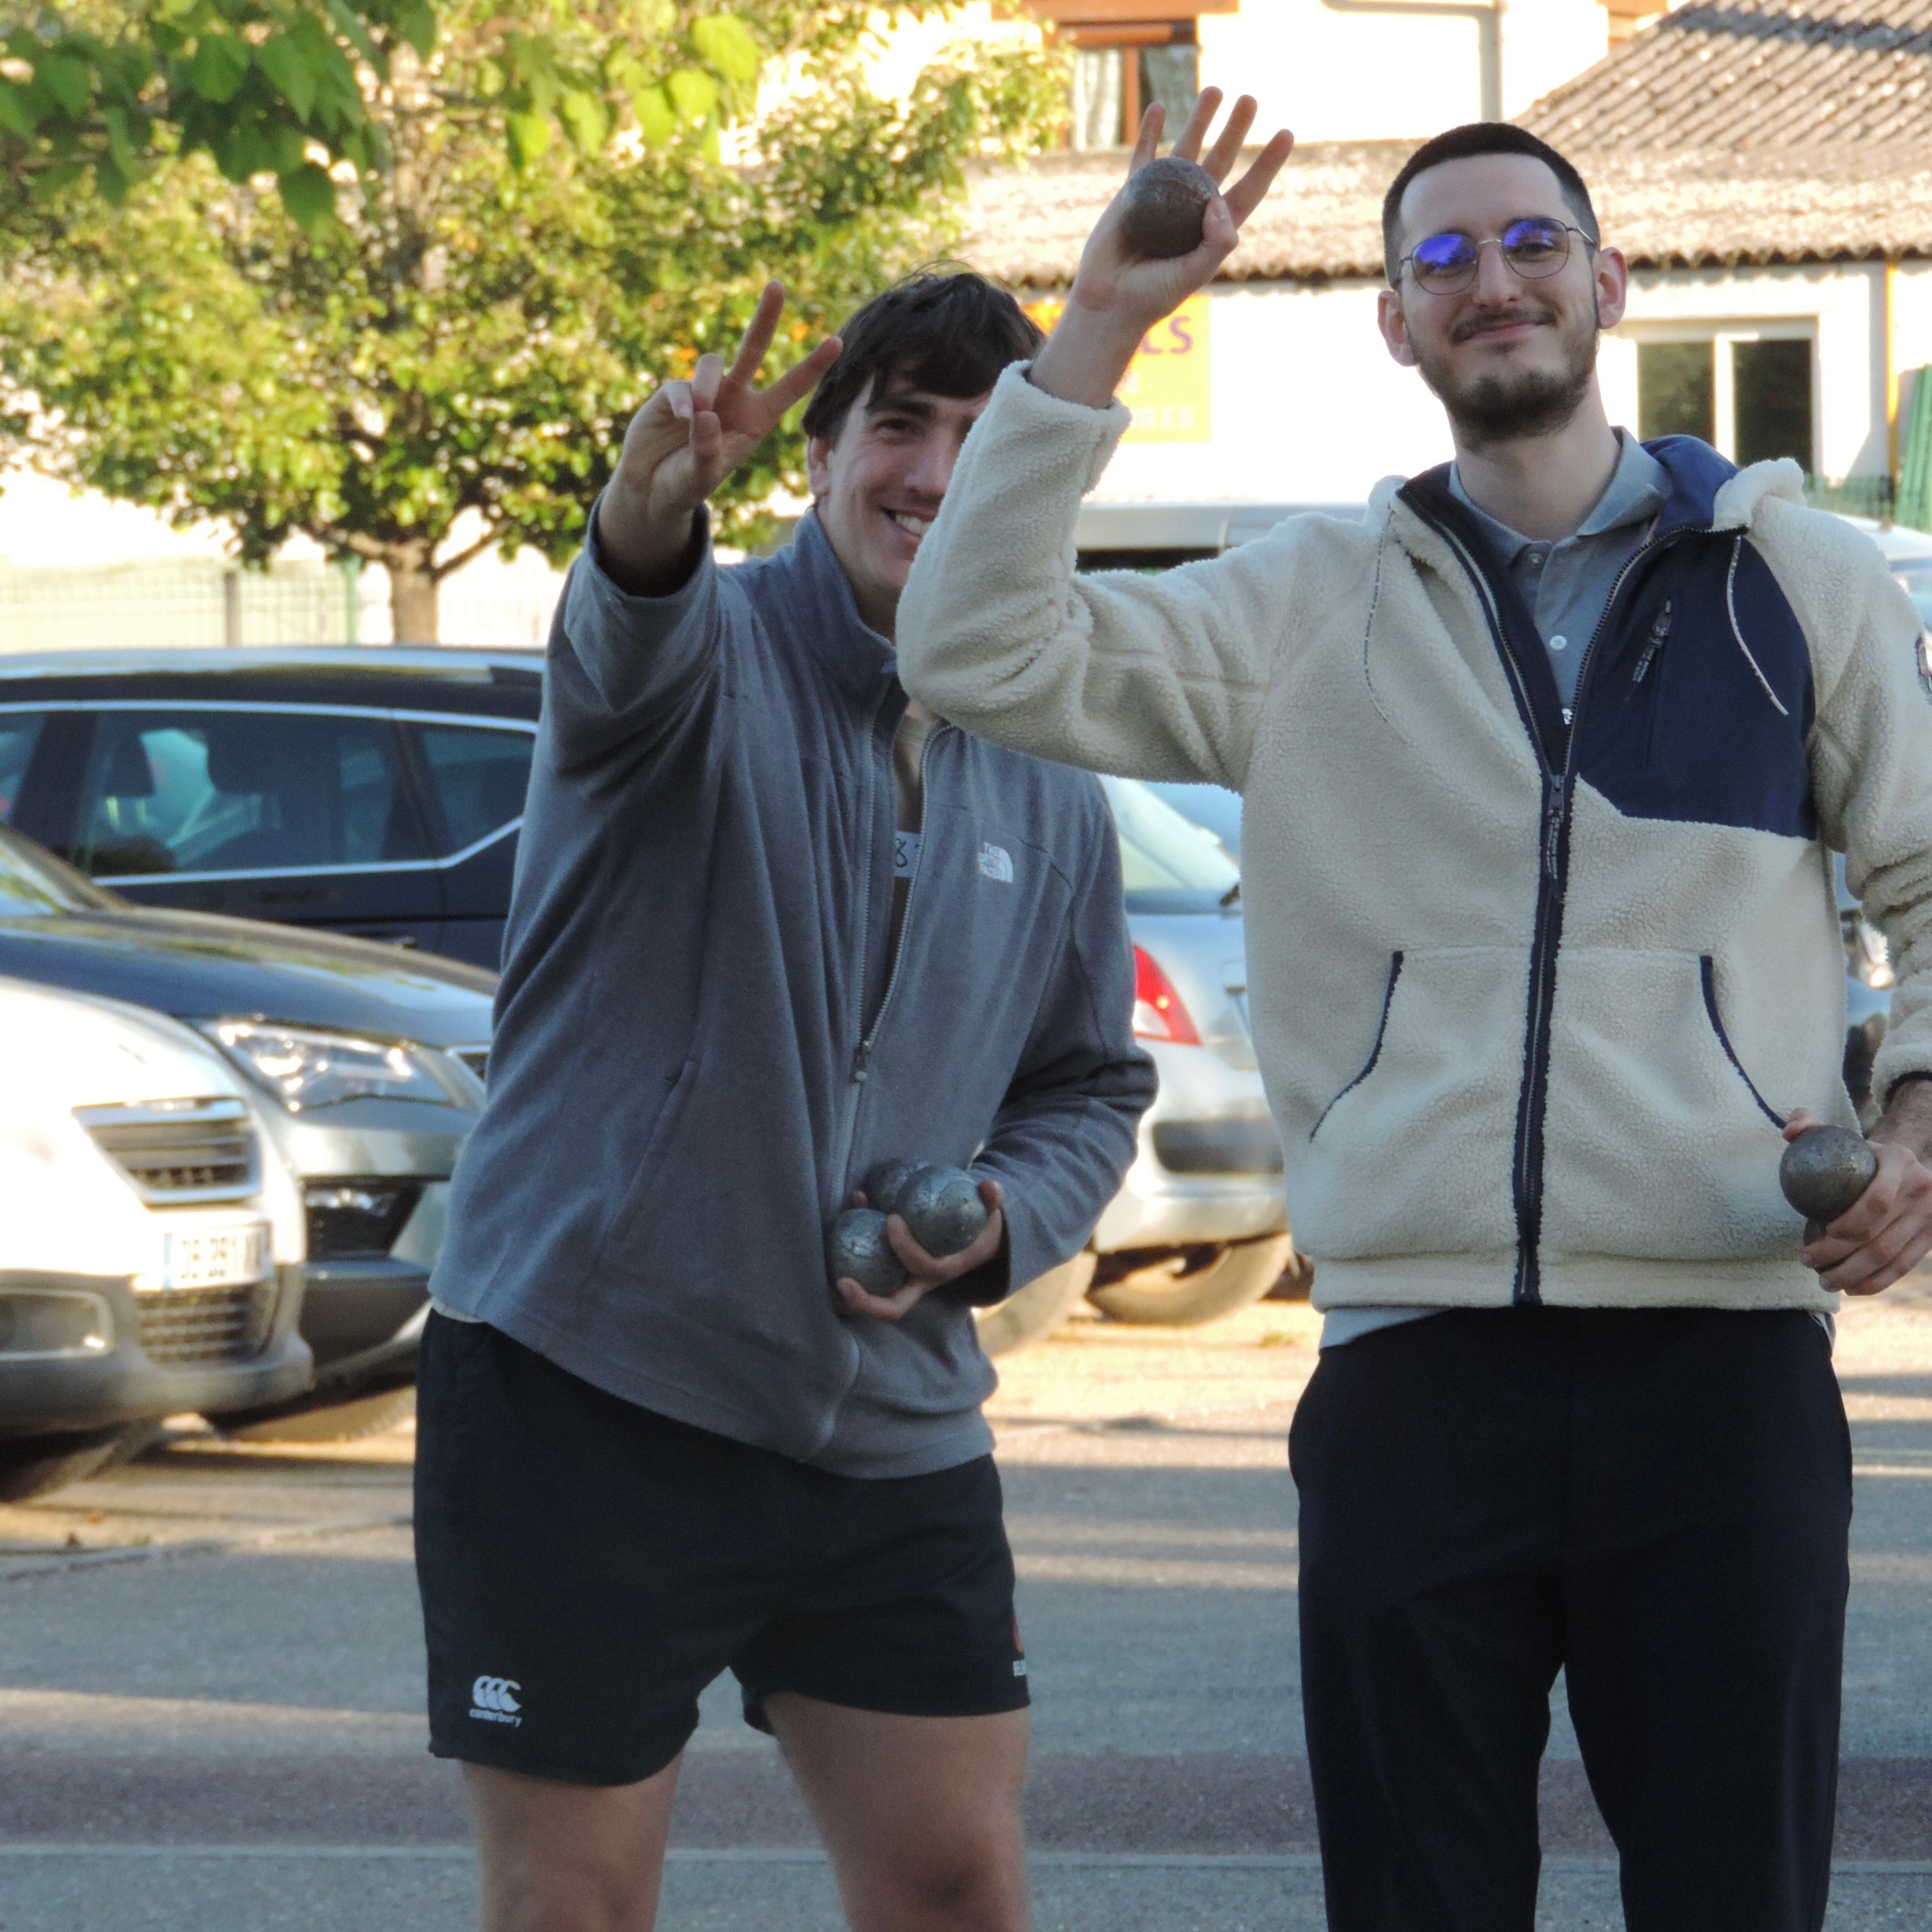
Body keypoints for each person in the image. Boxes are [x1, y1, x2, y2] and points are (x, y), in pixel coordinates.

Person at [895, 99, 1932, 1932]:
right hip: (1410, 1373)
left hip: (1722, 1377)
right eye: (1440, 260)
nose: (1494, 283)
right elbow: (979, 650)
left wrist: (1922, 1111)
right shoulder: (1305, 605)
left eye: (1531, 243)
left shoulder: (1802, 584)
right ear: (1393, 324)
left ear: (1611, 280)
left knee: (1735, 1901)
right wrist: (1106, 329)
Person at [415, 270, 1155, 1932]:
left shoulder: (1045, 756)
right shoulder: (708, 653)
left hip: (885, 1421)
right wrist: (645, 504)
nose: (939, 473)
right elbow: (629, 625)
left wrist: (988, 1233)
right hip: (591, 1393)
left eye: (988, 437)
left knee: (961, 1890)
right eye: (901, 425)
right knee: (572, 1912)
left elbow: (1090, 1085)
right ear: (821, 459)